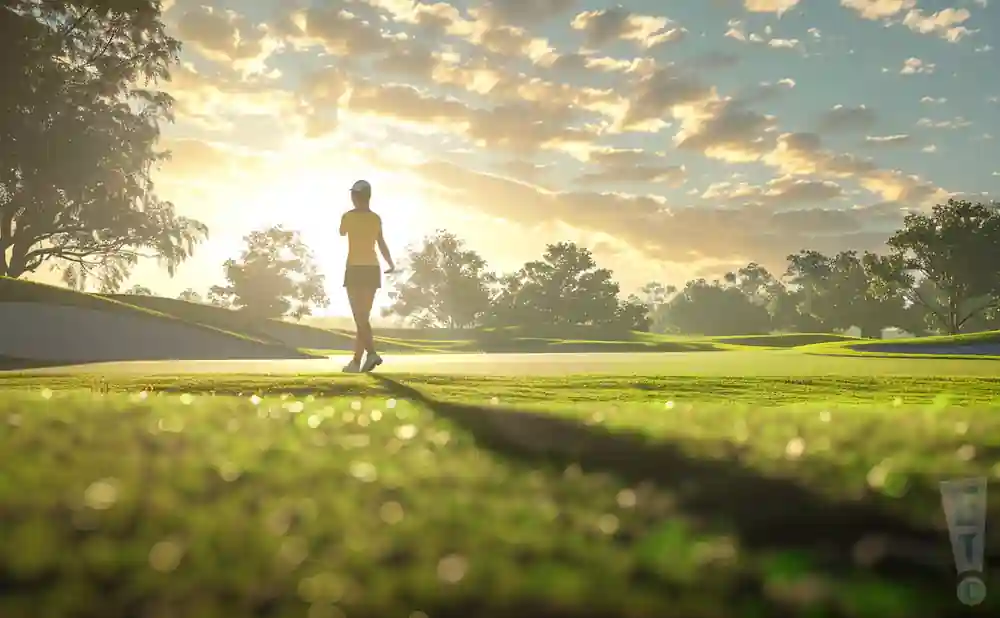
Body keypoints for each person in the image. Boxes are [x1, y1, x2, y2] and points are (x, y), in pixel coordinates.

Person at [339, 179, 395, 373]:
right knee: (363, 318)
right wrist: (390, 263)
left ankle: (371, 353)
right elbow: (381, 243)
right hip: (372, 269)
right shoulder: (376, 218)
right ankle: (356, 362)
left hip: (355, 269)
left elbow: (341, 232)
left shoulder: (348, 216)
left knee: (360, 317)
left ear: (356, 196)